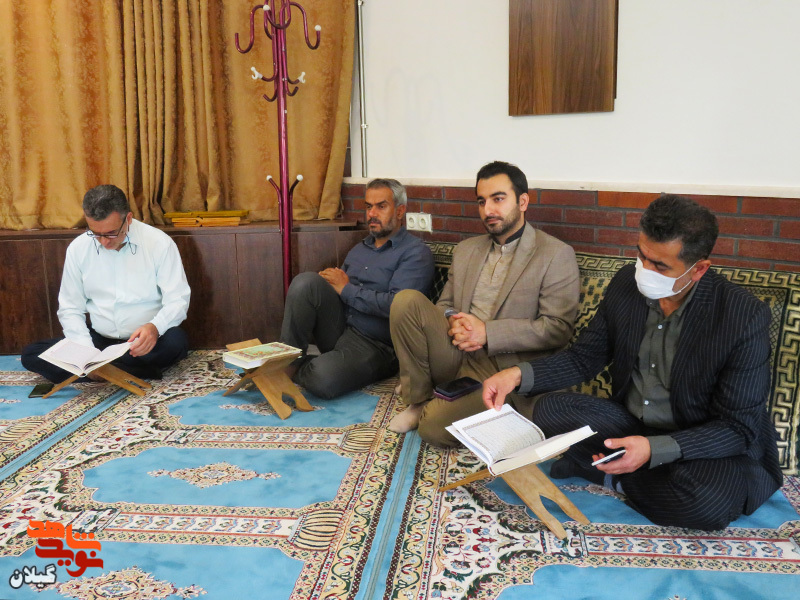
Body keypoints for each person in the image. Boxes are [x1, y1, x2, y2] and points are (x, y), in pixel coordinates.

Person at [483, 194, 783, 531]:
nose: (645, 271)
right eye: (641, 255)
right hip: (632, 424)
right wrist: (515, 375)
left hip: (700, 441)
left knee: (705, 503)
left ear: (698, 269)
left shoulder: (742, 316)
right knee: (549, 409)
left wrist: (654, 450)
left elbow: (737, 428)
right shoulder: (627, 283)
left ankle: (615, 477)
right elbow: (584, 358)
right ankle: (638, 472)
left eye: (660, 266)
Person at [388, 161, 580, 444]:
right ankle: (418, 399)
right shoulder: (467, 250)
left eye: (498, 199)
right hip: (455, 351)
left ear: (523, 202)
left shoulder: (555, 254)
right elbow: (444, 304)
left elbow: (557, 328)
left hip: (502, 367)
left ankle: (475, 408)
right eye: (482, 201)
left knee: (433, 429)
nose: (488, 210)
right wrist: (454, 320)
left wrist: (487, 333)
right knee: (405, 301)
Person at [280, 178, 434, 399]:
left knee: (322, 378)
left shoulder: (415, 253)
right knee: (305, 283)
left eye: (381, 206)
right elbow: (337, 291)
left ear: (400, 211)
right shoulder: (360, 249)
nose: (372, 213)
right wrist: (329, 283)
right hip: (342, 328)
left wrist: (346, 289)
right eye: (368, 206)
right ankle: (286, 363)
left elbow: (398, 307)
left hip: (378, 345)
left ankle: (310, 367)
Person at [22, 185, 191, 382]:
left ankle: (99, 373)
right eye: (95, 233)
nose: (104, 241)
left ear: (128, 219)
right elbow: (70, 308)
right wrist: (87, 354)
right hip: (99, 342)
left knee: (176, 342)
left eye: (111, 233)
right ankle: (127, 371)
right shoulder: (78, 249)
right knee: (31, 354)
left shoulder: (159, 243)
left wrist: (155, 327)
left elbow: (178, 299)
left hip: (144, 342)